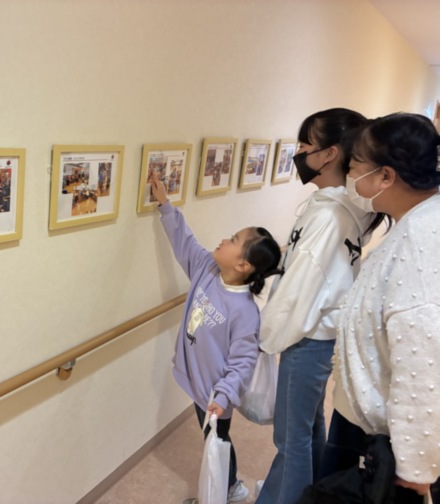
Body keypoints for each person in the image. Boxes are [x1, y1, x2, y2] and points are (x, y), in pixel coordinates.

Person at [256, 108, 384, 504]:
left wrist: (262, 338)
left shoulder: (329, 215)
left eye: (304, 145)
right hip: (322, 335)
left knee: (290, 440)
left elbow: (298, 291)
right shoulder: (343, 206)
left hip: (307, 337)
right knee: (308, 430)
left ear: (329, 154)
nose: (298, 153)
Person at [315, 112, 440, 503]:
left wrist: (414, 466)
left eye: (354, 166)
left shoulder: (420, 242)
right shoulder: (415, 222)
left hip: (390, 443)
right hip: (370, 421)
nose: (349, 177)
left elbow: (423, 362)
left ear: (386, 176)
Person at [150, 177, 282, 504]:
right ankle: (230, 484)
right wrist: (165, 205)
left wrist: (223, 396)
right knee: (212, 438)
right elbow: (184, 242)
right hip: (197, 384)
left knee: (217, 441)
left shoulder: (244, 312)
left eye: (234, 240)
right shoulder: (207, 270)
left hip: (215, 396)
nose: (224, 239)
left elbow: (243, 362)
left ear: (243, 264)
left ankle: (230, 487)